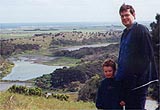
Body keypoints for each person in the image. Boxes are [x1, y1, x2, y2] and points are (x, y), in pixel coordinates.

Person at [115, 4, 158, 109]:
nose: (124, 18)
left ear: (134, 14)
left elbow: (147, 57)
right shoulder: (125, 33)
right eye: (122, 16)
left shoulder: (141, 30)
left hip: (138, 83)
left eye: (127, 15)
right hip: (127, 82)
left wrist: (135, 78)